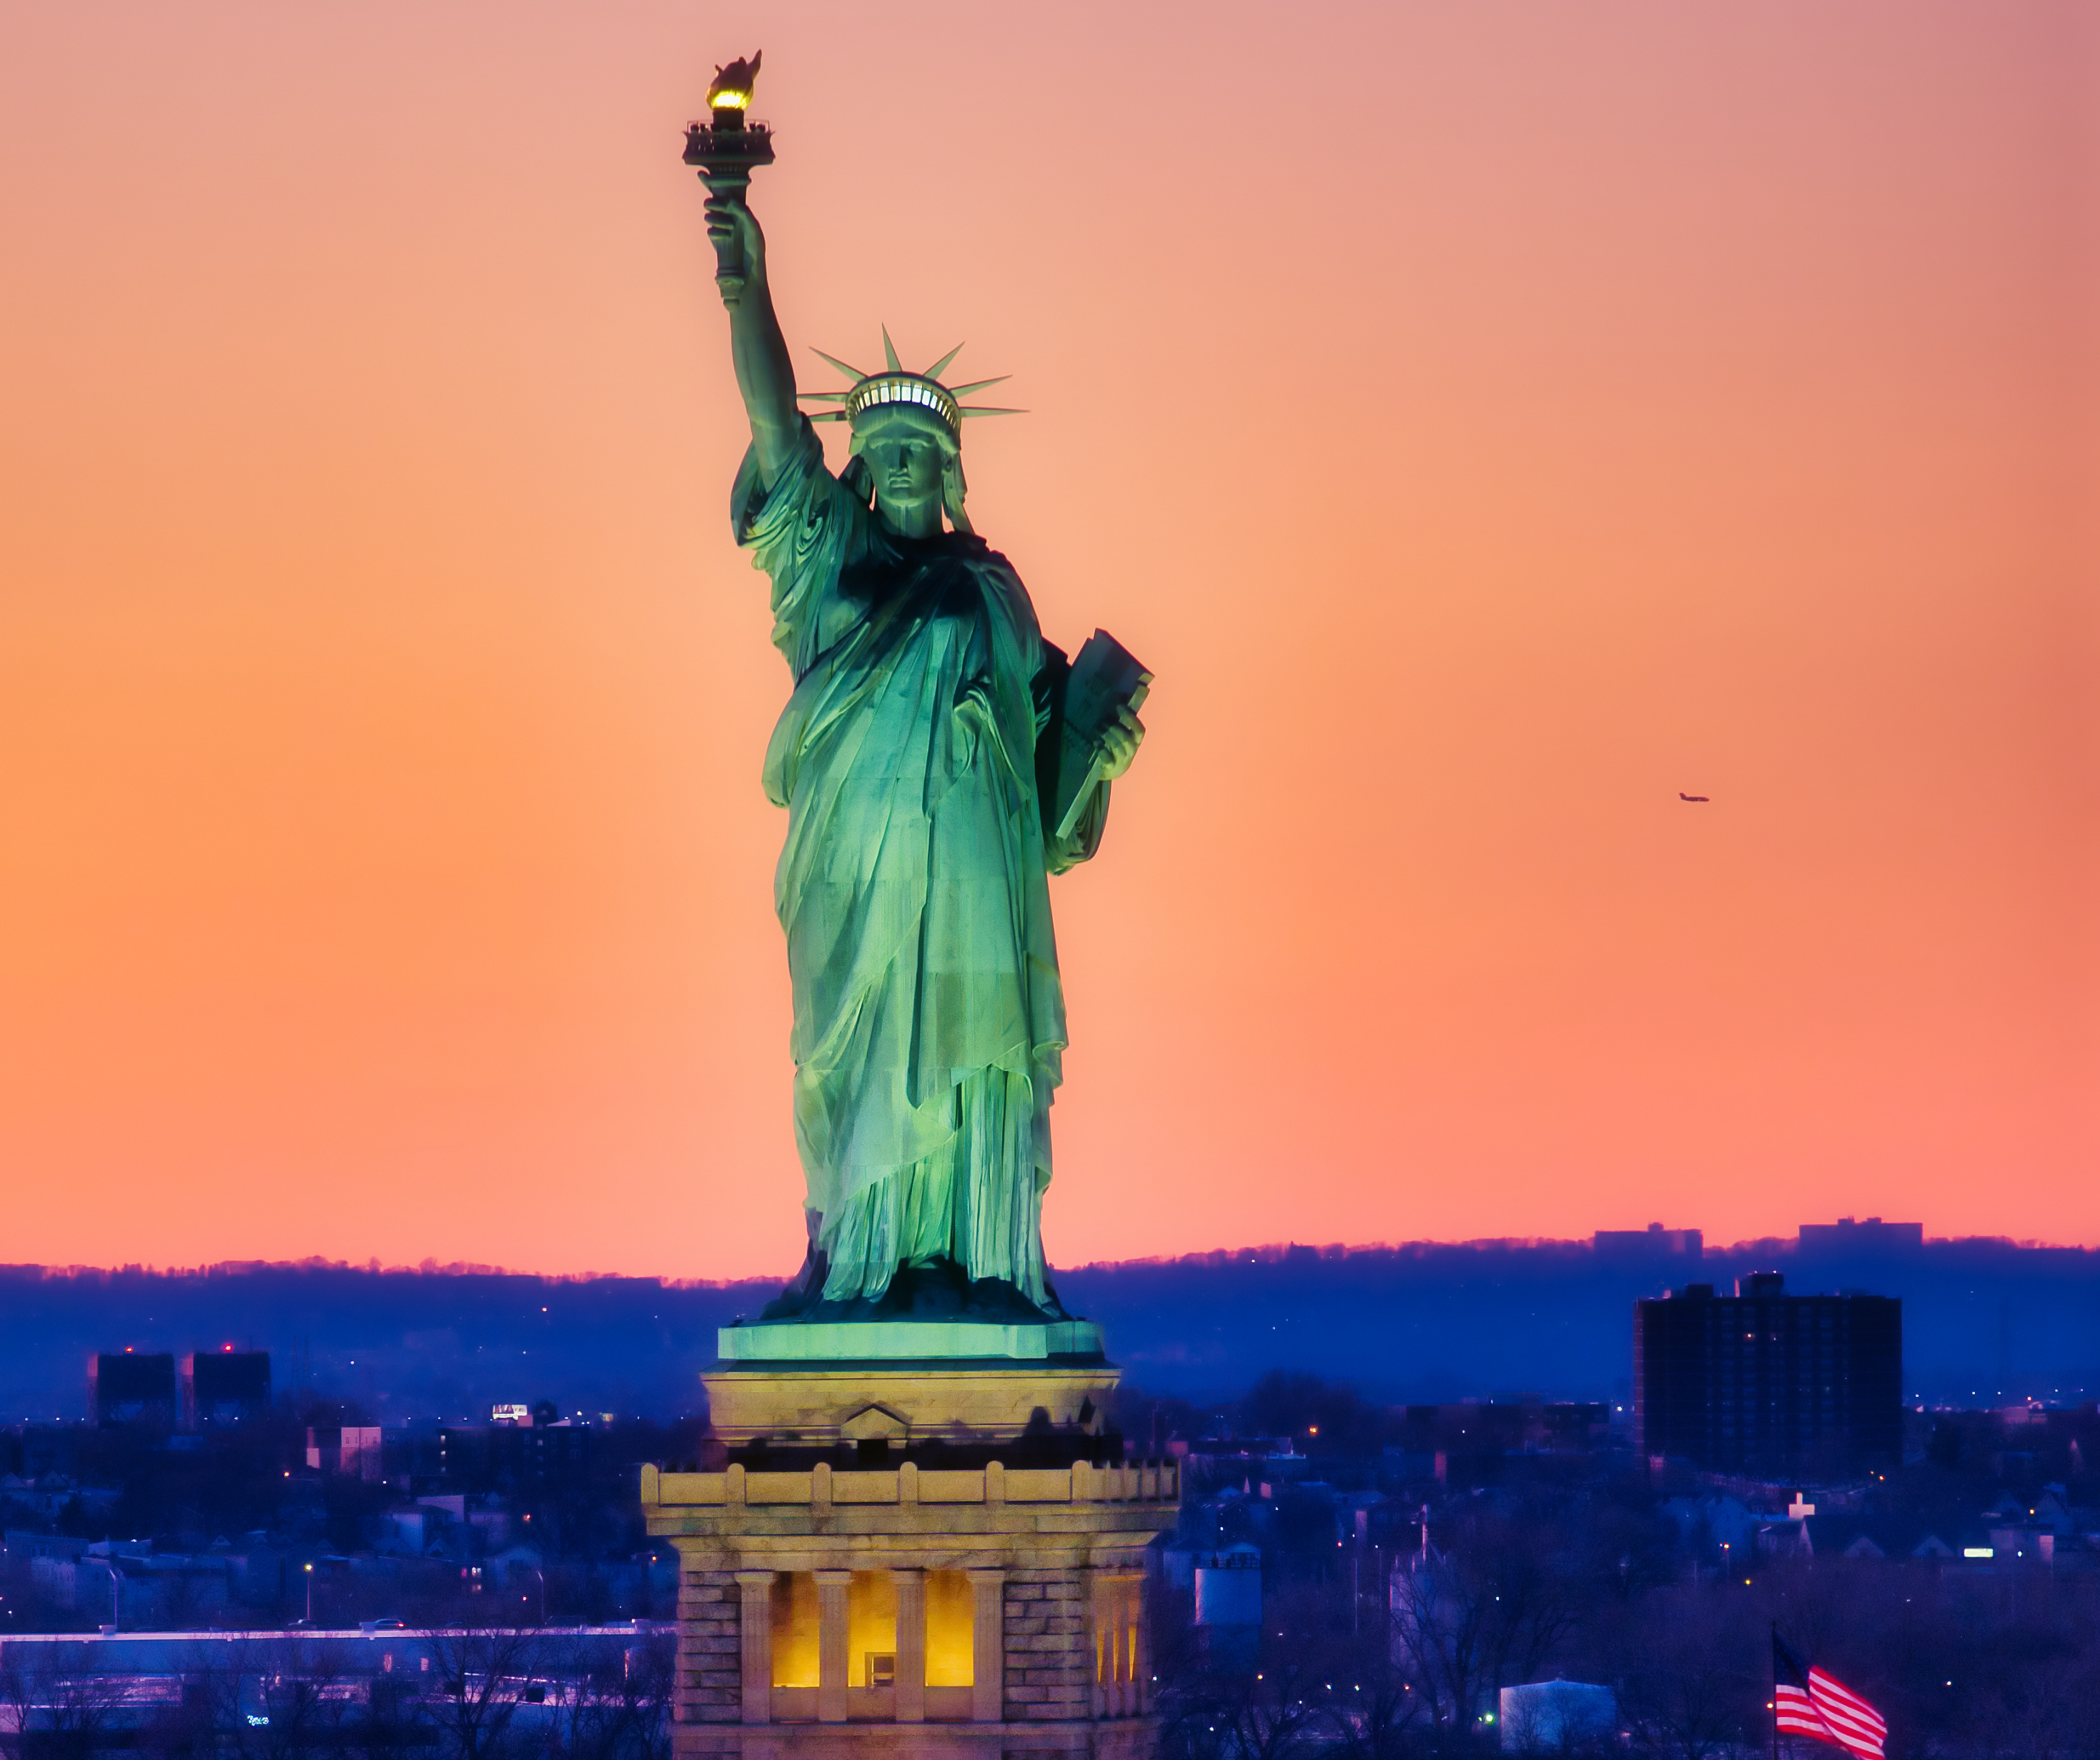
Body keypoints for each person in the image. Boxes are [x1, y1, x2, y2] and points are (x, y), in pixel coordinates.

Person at [703, 189, 1144, 1318]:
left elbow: (1049, 805)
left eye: (921, 449)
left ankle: (975, 1258)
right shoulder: (825, 560)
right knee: (843, 1065)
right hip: (854, 872)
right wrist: (743, 274)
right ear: (858, 465)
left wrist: (1098, 747)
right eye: (882, 445)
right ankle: (855, 1255)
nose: (900, 462)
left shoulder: (994, 592)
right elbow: (773, 429)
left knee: (971, 1049)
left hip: (976, 890)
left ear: (950, 470)